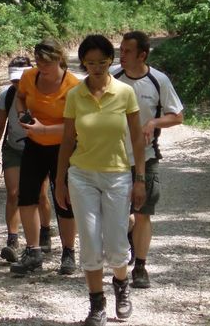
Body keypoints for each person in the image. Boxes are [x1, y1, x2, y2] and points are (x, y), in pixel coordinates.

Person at [56, 34, 146, 326]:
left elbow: (135, 137)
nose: (96, 67)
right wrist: (59, 181)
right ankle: (97, 304)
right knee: (91, 243)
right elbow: (67, 140)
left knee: (118, 246)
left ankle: (121, 285)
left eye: (102, 62)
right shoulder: (74, 95)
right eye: (90, 62)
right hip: (81, 175)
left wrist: (140, 179)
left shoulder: (124, 93)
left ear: (111, 60)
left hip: (117, 175)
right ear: (82, 62)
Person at [113, 30, 183, 288]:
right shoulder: (112, 78)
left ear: (142, 54)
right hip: (112, 158)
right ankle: (128, 238)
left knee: (143, 213)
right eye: (121, 50)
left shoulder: (158, 80)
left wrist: (153, 122)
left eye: (127, 51)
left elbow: (177, 116)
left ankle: (140, 267)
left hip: (147, 157)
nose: (122, 54)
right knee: (121, 215)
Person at [10, 38, 80, 275]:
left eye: (47, 61)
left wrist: (46, 130)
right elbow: (20, 97)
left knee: (64, 200)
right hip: (34, 144)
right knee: (27, 196)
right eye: (38, 60)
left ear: (59, 58)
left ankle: (69, 252)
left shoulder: (72, 86)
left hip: (63, 148)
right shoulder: (30, 77)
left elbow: (77, 126)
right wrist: (22, 114)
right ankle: (33, 251)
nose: (42, 65)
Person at [0, 56, 52, 263]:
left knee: (40, 194)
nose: (17, 83)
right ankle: (13, 239)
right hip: (13, 148)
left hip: (40, 147)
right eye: (14, 79)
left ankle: (45, 231)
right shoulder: (6, 96)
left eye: (20, 78)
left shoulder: (43, 94)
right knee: (14, 193)